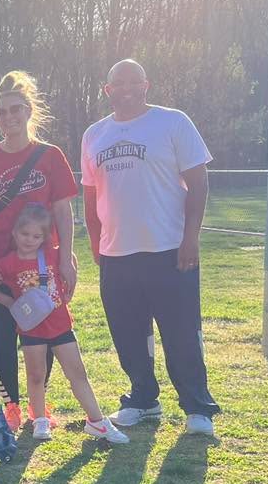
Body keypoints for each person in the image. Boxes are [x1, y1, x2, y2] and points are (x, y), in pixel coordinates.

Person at [82, 59, 220, 435]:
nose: (125, 89)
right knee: (128, 333)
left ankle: (197, 408)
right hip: (117, 253)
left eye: (133, 82)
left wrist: (190, 238)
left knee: (181, 332)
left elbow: (199, 183)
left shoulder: (173, 122)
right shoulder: (94, 134)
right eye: (117, 84)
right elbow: (90, 195)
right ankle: (143, 400)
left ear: (146, 85)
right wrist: (97, 244)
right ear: (107, 90)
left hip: (170, 249)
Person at [0, 71, 79, 430]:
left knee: (42, 329)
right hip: (2, 263)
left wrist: (65, 258)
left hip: (42, 263)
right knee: (2, 334)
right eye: (1, 113)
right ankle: (11, 408)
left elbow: (63, 211)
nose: (8, 118)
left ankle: (38, 406)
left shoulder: (50, 155)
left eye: (15, 110)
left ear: (29, 111)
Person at [0, 204, 128, 445]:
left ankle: (96, 421)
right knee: (35, 375)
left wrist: (70, 275)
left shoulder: (52, 255)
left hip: (60, 325)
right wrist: (10, 302)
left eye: (36, 236)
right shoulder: (8, 263)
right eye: (25, 234)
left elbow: (70, 260)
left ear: (44, 237)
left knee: (77, 374)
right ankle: (39, 419)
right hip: (31, 329)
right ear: (14, 233)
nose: (30, 240)